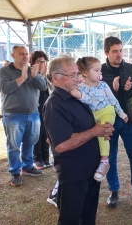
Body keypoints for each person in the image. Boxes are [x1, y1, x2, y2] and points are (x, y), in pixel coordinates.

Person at [43, 55, 114, 225]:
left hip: (89, 170)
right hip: (74, 175)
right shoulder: (55, 104)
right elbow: (61, 145)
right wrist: (94, 132)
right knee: (71, 219)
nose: (78, 79)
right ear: (55, 78)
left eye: (78, 74)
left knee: (88, 217)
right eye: (72, 75)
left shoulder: (75, 96)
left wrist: (103, 129)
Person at [101, 36, 132, 208]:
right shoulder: (100, 71)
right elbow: (98, 97)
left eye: (121, 50)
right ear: (106, 52)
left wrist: (131, 89)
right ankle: (113, 191)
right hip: (109, 122)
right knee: (111, 156)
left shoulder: (131, 68)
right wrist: (113, 91)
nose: (119, 54)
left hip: (128, 119)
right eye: (115, 51)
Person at [0, 46, 47, 186]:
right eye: (21, 54)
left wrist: (36, 76)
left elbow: (43, 87)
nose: (24, 56)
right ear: (13, 55)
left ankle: (27, 166)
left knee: (30, 142)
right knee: (13, 145)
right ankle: (14, 172)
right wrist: (23, 77)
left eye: (26, 54)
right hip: (13, 115)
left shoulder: (32, 70)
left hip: (32, 114)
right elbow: (4, 88)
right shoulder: (4, 71)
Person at [71, 57, 128, 181]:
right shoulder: (80, 87)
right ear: (85, 72)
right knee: (90, 136)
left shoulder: (103, 85)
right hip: (92, 115)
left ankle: (104, 161)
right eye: (96, 70)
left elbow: (112, 99)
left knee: (102, 131)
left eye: (100, 70)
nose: (100, 73)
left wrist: (121, 113)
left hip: (107, 112)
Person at [29, 51, 52, 169]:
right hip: (35, 108)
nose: (42, 64)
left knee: (46, 133)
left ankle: (46, 158)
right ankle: (37, 159)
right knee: (38, 133)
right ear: (33, 63)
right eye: (39, 61)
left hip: (46, 107)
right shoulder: (31, 75)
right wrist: (39, 75)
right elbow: (40, 87)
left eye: (44, 61)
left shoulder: (47, 75)